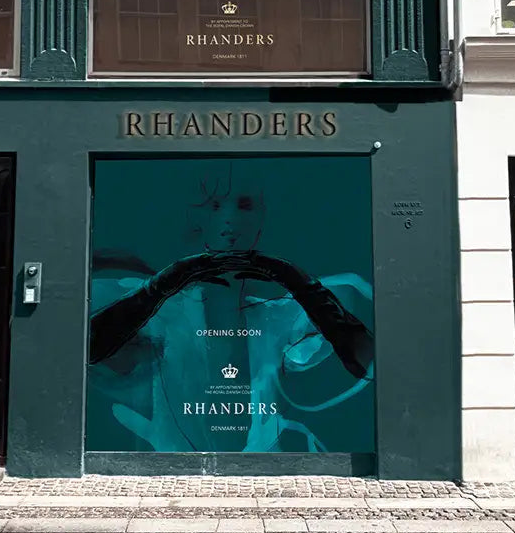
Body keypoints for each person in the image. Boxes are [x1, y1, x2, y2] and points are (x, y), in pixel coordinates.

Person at [88, 166, 373, 453]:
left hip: (265, 466)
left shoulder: (280, 317)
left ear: (263, 216)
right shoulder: (162, 312)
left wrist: (298, 283)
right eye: (214, 206)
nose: (230, 219)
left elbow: (367, 362)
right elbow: (86, 349)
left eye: (245, 205)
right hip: (178, 465)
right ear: (196, 216)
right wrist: (159, 288)